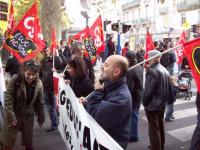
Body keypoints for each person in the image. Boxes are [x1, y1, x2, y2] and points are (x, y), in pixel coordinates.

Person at [81, 55, 132, 149]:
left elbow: (95, 115)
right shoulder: (109, 86)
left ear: (116, 72)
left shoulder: (121, 98)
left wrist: (97, 92)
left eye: (106, 65)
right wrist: (86, 102)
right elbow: (97, 105)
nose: (101, 66)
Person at [0, 59, 45, 150]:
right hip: (14, 112)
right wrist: (12, 117)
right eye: (28, 74)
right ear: (24, 71)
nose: (31, 77)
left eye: (33, 74)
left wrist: (41, 118)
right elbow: (8, 100)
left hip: (28, 115)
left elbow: (40, 103)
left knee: (28, 142)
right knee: (7, 141)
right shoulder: (15, 80)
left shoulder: (39, 84)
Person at [143, 50, 174, 150]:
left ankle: (156, 147)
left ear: (152, 58)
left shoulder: (153, 71)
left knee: (154, 129)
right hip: (161, 103)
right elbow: (170, 87)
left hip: (153, 105)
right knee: (160, 125)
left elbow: (148, 91)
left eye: (148, 57)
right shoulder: (163, 69)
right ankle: (161, 145)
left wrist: (144, 102)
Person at [40, 46, 63, 132]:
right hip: (46, 88)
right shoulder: (42, 62)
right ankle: (54, 124)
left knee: (57, 107)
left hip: (54, 87)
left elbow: (63, 69)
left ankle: (61, 124)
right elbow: (40, 74)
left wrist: (56, 71)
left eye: (46, 50)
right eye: (43, 51)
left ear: (49, 50)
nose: (45, 52)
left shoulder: (55, 59)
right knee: (49, 107)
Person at [126, 51, 143, 142]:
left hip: (134, 96)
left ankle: (133, 135)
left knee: (133, 115)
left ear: (128, 59)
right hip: (139, 94)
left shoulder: (130, 70)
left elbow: (129, 87)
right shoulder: (139, 66)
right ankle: (133, 133)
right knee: (134, 114)